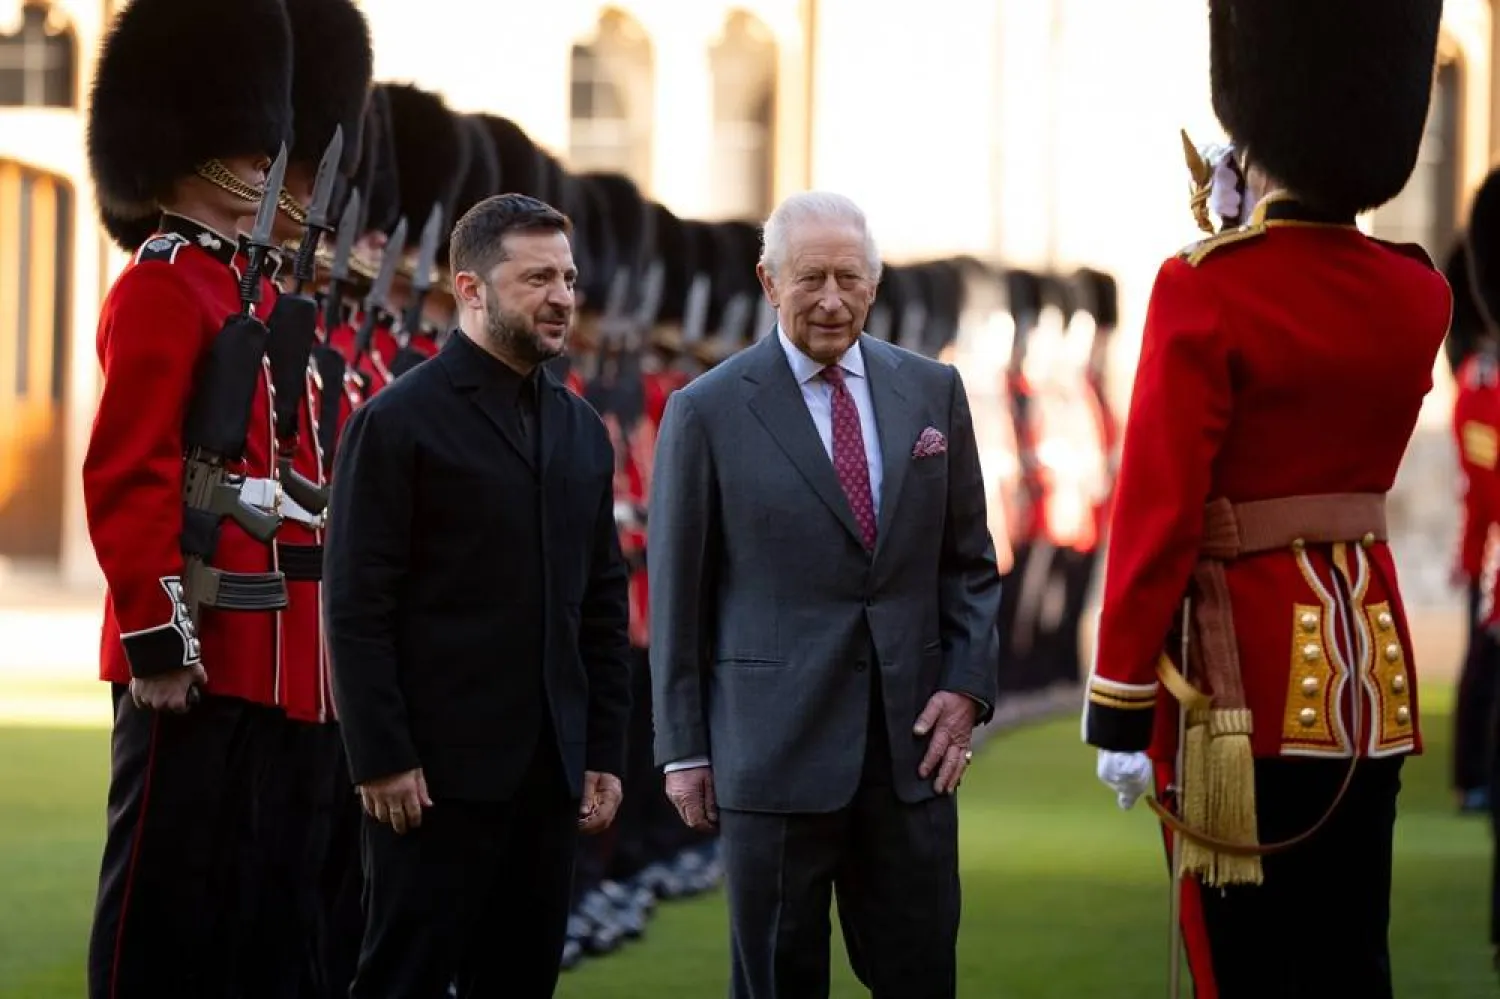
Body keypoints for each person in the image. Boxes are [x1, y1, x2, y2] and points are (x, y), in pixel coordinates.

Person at [1083, 1, 1447, 997]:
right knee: (1347, 955)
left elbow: (1159, 510)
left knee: (1242, 964)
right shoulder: (1420, 293)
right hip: (1372, 674)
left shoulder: (1202, 285)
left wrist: (1119, 700)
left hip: (1243, 676)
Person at [648, 190, 1002, 999]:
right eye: (812, 279)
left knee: (920, 977)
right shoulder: (705, 411)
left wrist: (967, 687)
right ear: (770, 283)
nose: (833, 299)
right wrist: (686, 750)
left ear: (875, 286)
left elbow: (970, 565)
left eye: (850, 277)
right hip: (769, 759)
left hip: (910, 753)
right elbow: (678, 595)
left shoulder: (933, 391)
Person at [323, 192, 634, 997]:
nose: (563, 296)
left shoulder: (579, 431)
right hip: (430, 782)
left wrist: (602, 749)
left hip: (549, 780)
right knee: (402, 982)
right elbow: (356, 605)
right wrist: (382, 756)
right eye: (537, 278)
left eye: (568, 278)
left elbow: (599, 604)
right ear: (470, 289)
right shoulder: (397, 422)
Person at [80, 0, 295, 995]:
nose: (264, 167)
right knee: (157, 910)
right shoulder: (163, 285)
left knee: (234, 904)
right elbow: (128, 473)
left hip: (254, 642)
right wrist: (156, 640)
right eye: (246, 150)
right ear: (184, 151)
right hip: (188, 640)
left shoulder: (232, 290)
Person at [1443, 218, 1500, 819]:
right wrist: (1469, 556)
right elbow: (1483, 490)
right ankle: (1472, 775)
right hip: (1494, 553)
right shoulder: (1481, 383)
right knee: (1484, 664)